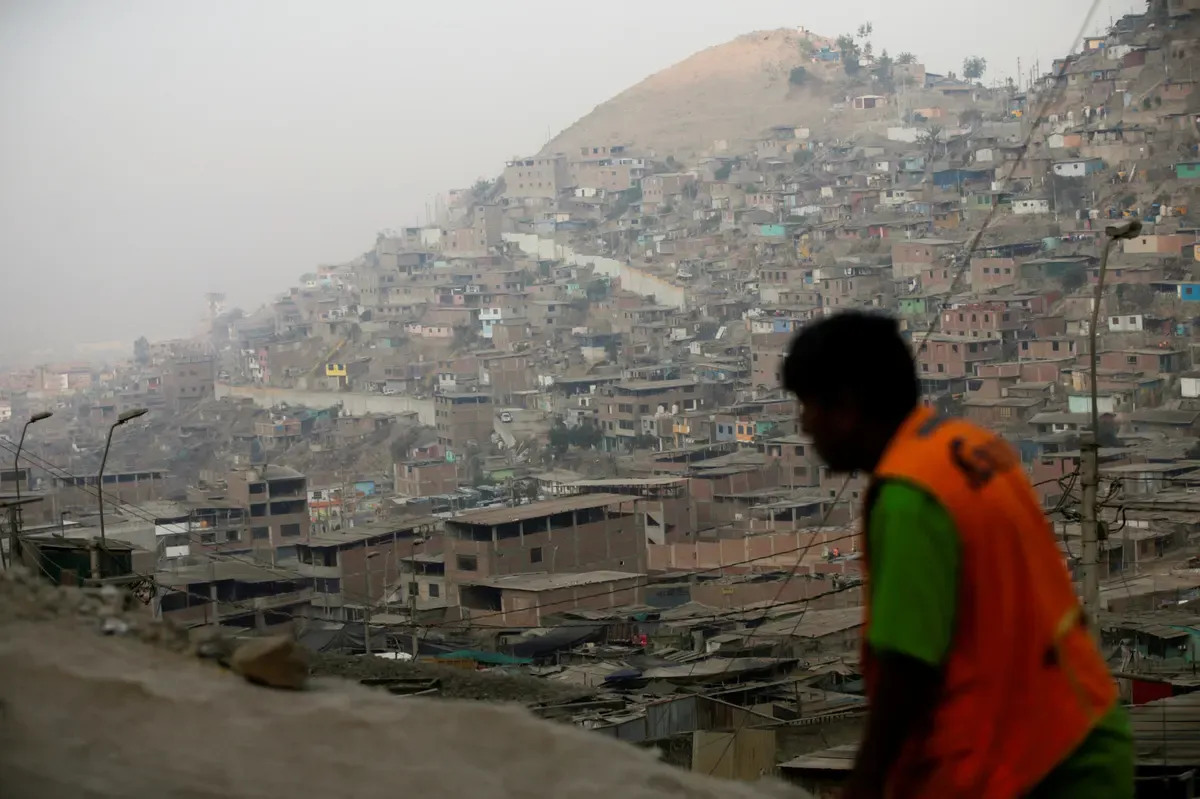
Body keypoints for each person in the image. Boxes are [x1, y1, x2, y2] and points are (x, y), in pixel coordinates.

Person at [780, 311, 1133, 799]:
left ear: (846, 405)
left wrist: (865, 784)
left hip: (1033, 768)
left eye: (807, 406)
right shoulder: (970, 447)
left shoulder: (909, 495)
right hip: (1082, 729)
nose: (804, 426)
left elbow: (908, 664)